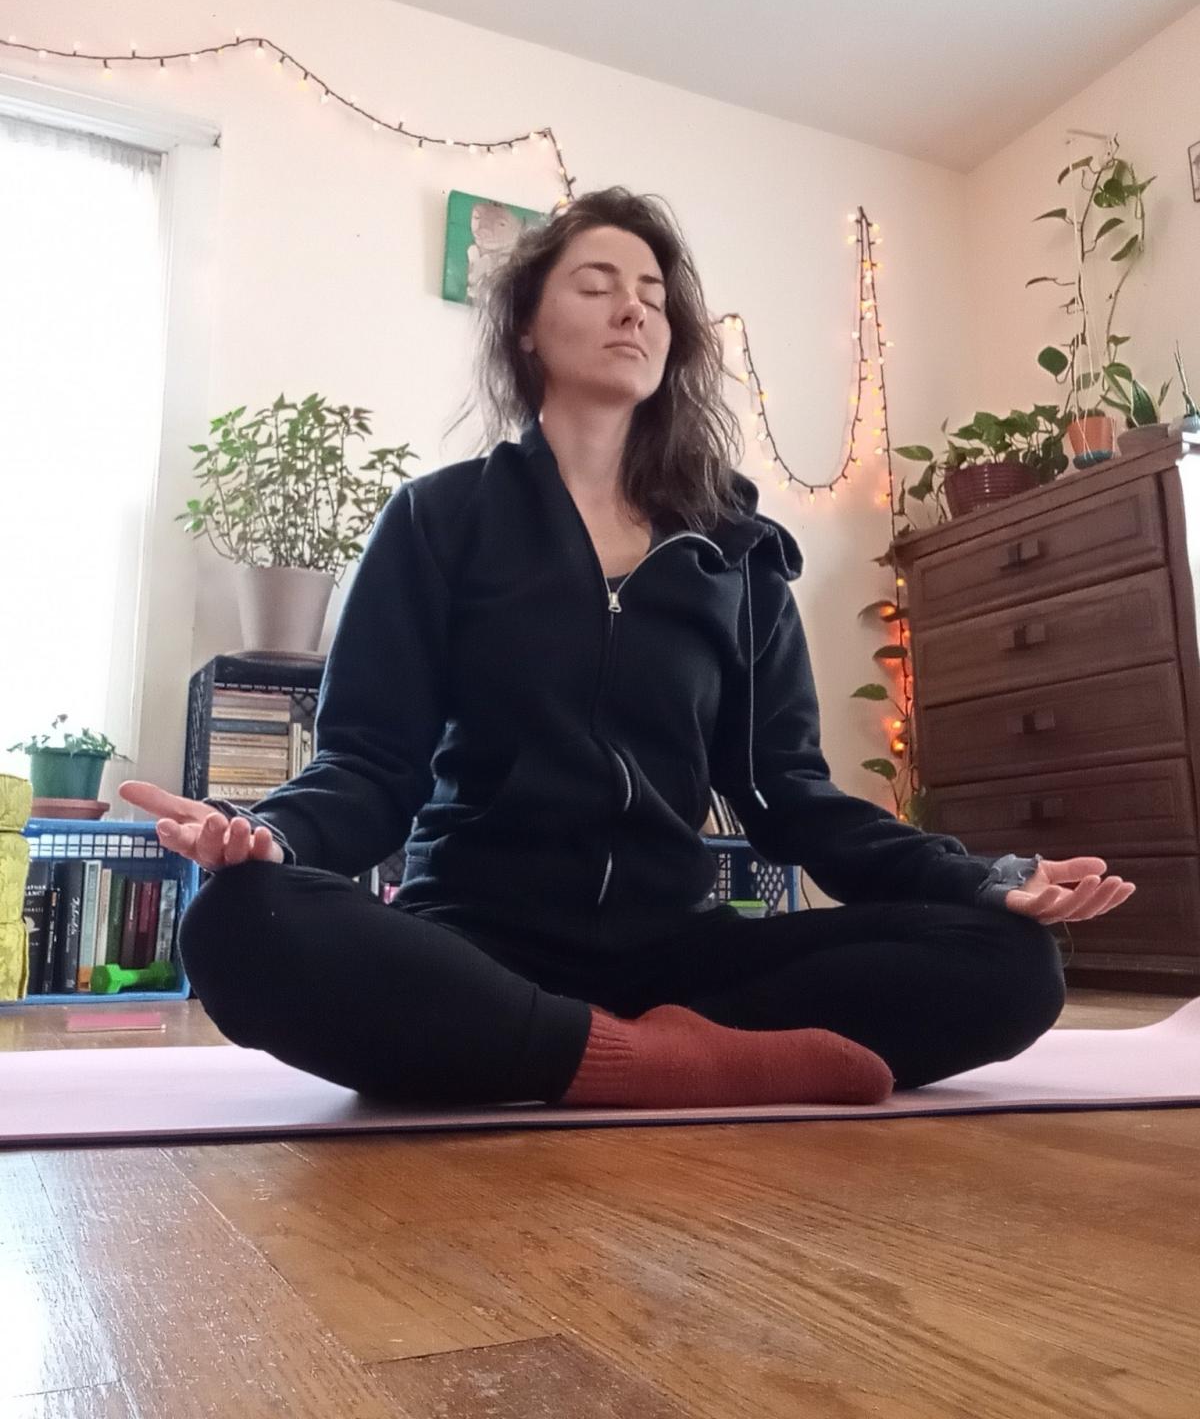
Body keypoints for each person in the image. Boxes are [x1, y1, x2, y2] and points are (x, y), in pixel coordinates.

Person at [122, 187, 1136, 1110]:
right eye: (597, 284)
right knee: (237, 924)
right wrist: (269, 836)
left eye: (652, 292)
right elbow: (370, 767)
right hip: (477, 941)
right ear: (527, 326)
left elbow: (793, 797)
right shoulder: (440, 519)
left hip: (676, 952)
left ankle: (568, 1054)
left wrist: (978, 877)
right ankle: (654, 1065)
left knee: (1012, 963)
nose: (634, 309)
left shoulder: (735, 551)